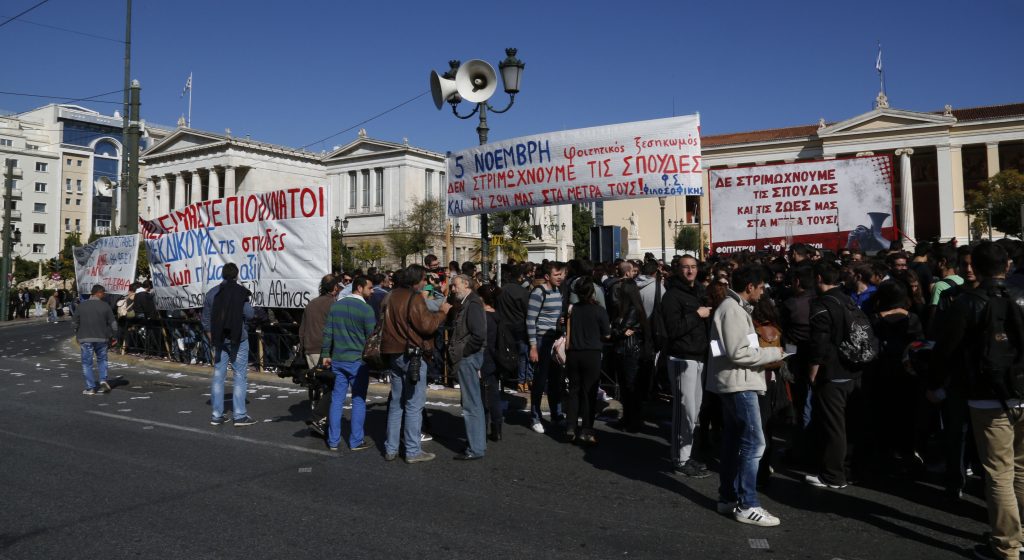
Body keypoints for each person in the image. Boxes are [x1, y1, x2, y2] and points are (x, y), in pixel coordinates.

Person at [928, 242, 1024, 560]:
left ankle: (1006, 546)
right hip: (1021, 392)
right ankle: (1019, 536)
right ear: (1007, 266)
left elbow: (947, 351)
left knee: (998, 472)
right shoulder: (1019, 296)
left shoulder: (967, 302)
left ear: (976, 269)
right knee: (1021, 469)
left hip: (987, 396)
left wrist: (936, 383)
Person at [707, 265, 785, 527]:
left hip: (736, 381)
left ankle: (729, 497)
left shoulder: (732, 308)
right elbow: (737, 353)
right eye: (761, 287)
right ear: (750, 286)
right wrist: (775, 354)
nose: (762, 293)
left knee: (733, 442)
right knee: (754, 443)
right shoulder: (732, 309)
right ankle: (748, 503)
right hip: (739, 384)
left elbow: (725, 350)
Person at [381, 265, 451, 463]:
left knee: (396, 403)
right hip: (413, 354)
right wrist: (443, 312)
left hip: (393, 353)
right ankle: (412, 450)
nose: (425, 283)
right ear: (416, 280)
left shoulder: (390, 296)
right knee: (414, 404)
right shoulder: (415, 298)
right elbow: (427, 325)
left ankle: (391, 448)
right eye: (423, 279)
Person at [806, 260, 864, 489]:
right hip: (854, 368)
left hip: (833, 371)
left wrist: (813, 371)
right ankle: (849, 470)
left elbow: (819, 342)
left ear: (819, 279)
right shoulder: (847, 298)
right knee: (850, 423)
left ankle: (833, 475)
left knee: (834, 426)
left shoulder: (821, 305)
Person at [662, 255, 712, 478]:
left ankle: (687, 454)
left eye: (693, 267)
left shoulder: (700, 291)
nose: (690, 271)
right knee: (684, 410)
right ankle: (680, 459)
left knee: (694, 411)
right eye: (686, 268)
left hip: (699, 356)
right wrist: (697, 314)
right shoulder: (672, 296)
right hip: (682, 358)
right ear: (678, 270)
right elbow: (673, 329)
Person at [321, 275, 376, 452]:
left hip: (338, 358)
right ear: (359, 288)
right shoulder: (366, 310)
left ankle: (333, 441)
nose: (372, 291)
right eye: (370, 288)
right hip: (358, 362)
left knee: (337, 400)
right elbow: (371, 339)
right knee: (358, 400)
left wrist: (325, 354)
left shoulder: (336, 307)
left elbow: (328, 332)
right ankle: (356, 441)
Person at [201, 263, 256, 427]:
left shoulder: (212, 293)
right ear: (237, 275)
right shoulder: (241, 292)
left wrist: (213, 338)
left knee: (219, 375)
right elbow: (250, 314)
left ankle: (217, 415)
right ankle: (239, 415)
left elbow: (205, 320)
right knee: (239, 375)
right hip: (238, 338)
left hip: (219, 340)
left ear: (222, 275)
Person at [563, 279, 611, 444]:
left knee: (573, 391)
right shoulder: (599, 310)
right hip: (592, 353)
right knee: (589, 392)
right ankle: (587, 430)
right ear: (592, 293)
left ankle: (570, 426)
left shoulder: (572, 309)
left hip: (573, 353)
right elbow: (607, 334)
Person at [449, 274, 488, 460]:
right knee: (471, 402)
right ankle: (476, 443)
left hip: (468, 358)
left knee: (471, 404)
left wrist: (465, 352)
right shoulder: (469, 303)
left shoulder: (472, 304)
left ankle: (476, 448)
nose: (452, 289)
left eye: (455, 285)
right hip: (468, 357)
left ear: (466, 284)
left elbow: (479, 334)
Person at [526, 261, 567, 434]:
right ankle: (535, 416)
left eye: (562, 274)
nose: (561, 278)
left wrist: (560, 322)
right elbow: (530, 320)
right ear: (547, 276)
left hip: (554, 339)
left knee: (556, 381)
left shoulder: (558, 292)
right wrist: (533, 346)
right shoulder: (538, 292)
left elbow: (553, 316)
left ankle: (556, 415)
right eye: (557, 275)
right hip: (542, 340)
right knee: (540, 381)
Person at [610, 275, 650, 434]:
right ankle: (629, 418)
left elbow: (618, 330)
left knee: (630, 387)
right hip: (627, 350)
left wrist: (616, 331)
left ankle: (632, 420)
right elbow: (619, 330)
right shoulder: (628, 308)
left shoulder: (632, 309)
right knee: (628, 388)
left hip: (629, 351)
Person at [73, 284, 118, 395]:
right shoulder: (105, 306)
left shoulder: (81, 306)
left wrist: (77, 335)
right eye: (103, 293)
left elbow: (74, 323)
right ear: (98, 293)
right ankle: (103, 379)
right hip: (102, 338)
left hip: (85, 338)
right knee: (102, 360)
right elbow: (113, 324)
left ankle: (91, 387)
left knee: (87, 363)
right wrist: (114, 335)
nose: (104, 295)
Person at [496, 263, 532, 393]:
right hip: (519, 328)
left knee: (505, 353)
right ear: (520, 277)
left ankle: (505, 379)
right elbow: (528, 311)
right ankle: (521, 381)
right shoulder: (523, 292)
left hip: (504, 327)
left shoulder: (502, 290)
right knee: (522, 355)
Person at [478, 283, 505, 442]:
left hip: (484, 357)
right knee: (494, 394)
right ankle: (497, 428)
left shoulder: (482, 317)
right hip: (496, 357)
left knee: (481, 396)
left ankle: (482, 427)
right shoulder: (498, 315)